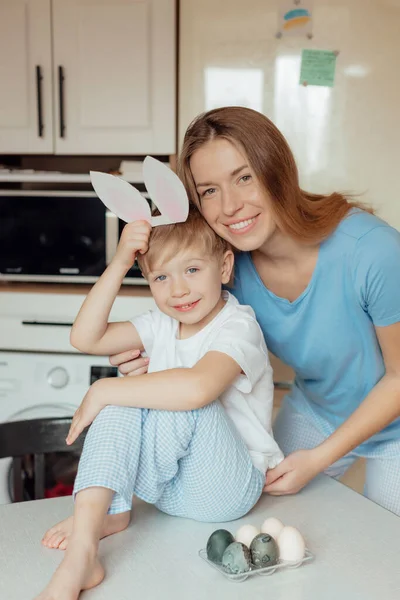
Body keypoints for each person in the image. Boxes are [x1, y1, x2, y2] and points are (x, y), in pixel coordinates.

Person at [112, 106, 400, 517]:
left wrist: (318, 459)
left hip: (397, 422)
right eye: (209, 191)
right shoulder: (229, 266)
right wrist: (153, 354)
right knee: (266, 517)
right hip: (318, 408)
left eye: (244, 177)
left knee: (387, 544)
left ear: (277, 171)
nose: (229, 206)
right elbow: (190, 331)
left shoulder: (373, 250)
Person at [36, 206, 283, 600]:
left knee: (155, 394)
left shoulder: (239, 326)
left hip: (228, 488)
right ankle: (87, 546)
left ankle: (112, 509)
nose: (178, 290)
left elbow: (198, 389)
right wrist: (119, 262)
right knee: (124, 396)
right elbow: (85, 338)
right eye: (161, 277)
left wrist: (104, 390)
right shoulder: (160, 324)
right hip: (167, 490)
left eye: (192, 270)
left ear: (223, 267)